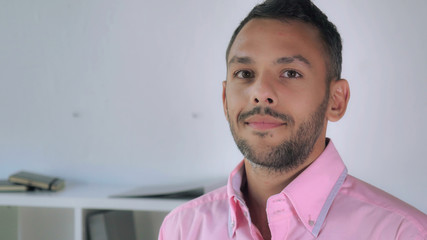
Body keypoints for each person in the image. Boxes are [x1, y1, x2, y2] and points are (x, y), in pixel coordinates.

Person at [158, 0, 427, 239]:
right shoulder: (181, 229)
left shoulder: (402, 233)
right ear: (225, 97)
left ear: (336, 100)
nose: (260, 93)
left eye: (290, 73)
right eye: (244, 73)